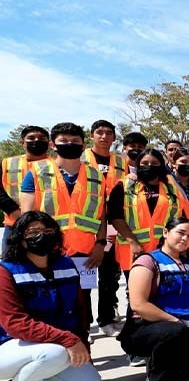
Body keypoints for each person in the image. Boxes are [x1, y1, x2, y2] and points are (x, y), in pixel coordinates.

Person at [0, 212, 101, 381]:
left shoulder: (66, 265)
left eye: (48, 231)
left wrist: (83, 346)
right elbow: (15, 323)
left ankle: (43, 375)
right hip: (12, 345)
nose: (42, 236)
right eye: (34, 232)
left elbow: (79, 311)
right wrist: (68, 340)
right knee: (55, 354)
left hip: (56, 345)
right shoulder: (6, 271)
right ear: (20, 238)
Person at [19, 123, 108, 332]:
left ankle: (84, 353)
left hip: (84, 254)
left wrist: (100, 244)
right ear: (53, 144)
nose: (70, 144)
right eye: (64, 141)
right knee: (49, 307)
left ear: (83, 144)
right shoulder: (36, 172)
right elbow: (27, 217)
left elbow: (101, 215)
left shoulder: (96, 175)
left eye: (75, 141)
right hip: (47, 253)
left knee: (81, 308)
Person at [120, 217, 189, 381]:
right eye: (180, 233)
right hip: (147, 329)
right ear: (166, 233)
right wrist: (174, 321)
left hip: (183, 329)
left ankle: (172, 360)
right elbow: (138, 305)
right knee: (174, 332)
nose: (185, 239)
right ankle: (156, 377)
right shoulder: (148, 262)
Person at [81, 120, 128, 336]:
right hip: (88, 226)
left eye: (109, 133)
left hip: (111, 225)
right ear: (91, 135)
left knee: (109, 275)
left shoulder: (121, 161)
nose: (104, 136)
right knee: (84, 277)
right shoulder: (81, 158)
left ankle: (106, 319)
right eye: (99, 132)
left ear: (114, 138)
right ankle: (84, 323)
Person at [110, 148, 184, 287]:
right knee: (137, 298)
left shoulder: (171, 189)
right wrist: (134, 243)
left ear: (161, 166)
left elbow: (177, 220)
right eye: (145, 163)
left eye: (154, 163)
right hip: (134, 251)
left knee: (161, 294)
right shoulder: (125, 186)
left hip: (163, 252)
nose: (149, 166)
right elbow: (115, 217)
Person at [0, 126, 50, 253]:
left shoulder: (55, 166)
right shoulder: (8, 163)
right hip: (14, 225)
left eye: (42, 138)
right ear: (22, 142)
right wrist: (17, 214)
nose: (36, 141)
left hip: (47, 227)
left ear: (49, 143)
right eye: (31, 138)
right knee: (12, 268)